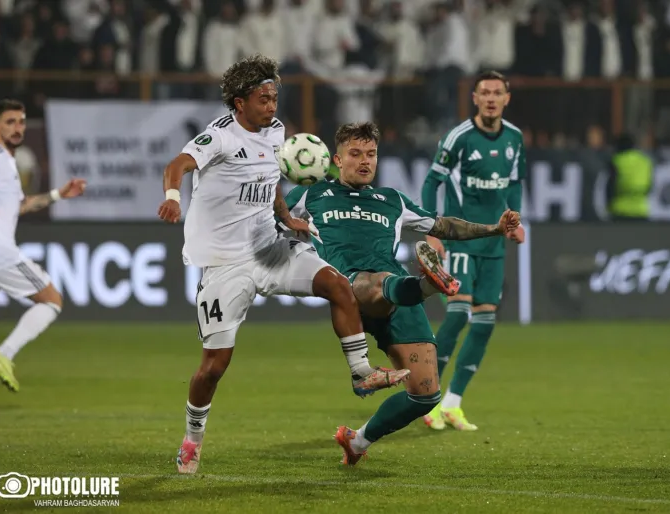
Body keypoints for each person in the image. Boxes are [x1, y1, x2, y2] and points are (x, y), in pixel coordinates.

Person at [156, 55, 409, 475]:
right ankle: (192, 439)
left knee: (337, 284)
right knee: (214, 367)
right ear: (239, 102)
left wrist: (286, 216)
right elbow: (177, 165)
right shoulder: (218, 136)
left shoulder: (275, 131)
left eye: (274, 97)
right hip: (224, 264)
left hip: (269, 248)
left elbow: (270, 177)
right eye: (263, 98)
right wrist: (171, 197)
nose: (272, 105)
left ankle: (361, 372)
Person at [282, 122, 520, 465]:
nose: (365, 161)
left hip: (396, 295)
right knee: (373, 281)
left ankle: (357, 442)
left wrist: (494, 228)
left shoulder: (391, 200)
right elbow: (272, 218)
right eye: (355, 154)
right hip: (350, 289)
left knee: (426, 395)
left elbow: (443, 225)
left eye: (371, 154)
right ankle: (426, 284)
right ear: (337, 159)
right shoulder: (313, 194)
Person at [420, 71, 526, 431]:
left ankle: (453, 403)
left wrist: (515, 219)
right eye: (485, 93)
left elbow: (514, 183)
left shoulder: (514, 138)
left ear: (507, 98)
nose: (491, 98)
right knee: (457, 315)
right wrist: (431, 230)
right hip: (461, 240)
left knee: (484, 322)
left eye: (498, 92)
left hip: (494, 244)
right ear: (475, 98)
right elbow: (432, 181)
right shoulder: (459, 137)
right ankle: (426, 398)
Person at [0, 99, 87, 392]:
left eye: (21, 122)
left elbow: (20, 205)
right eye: (10, 122)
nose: (17, 128)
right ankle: (4, 353)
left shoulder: (6, 162)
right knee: (51, 300)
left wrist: (58, 195)